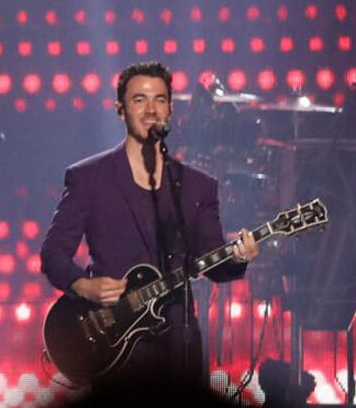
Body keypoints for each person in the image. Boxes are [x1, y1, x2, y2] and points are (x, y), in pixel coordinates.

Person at [40, 62, 260, 384]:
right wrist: (84, 286)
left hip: (178, 344)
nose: (151, 109)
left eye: (159, 99)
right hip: (113, 343)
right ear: (120, 109)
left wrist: (238, 259)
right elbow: (53, 253)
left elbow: (212, 262)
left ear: (170, 109)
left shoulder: (198, 186)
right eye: (139, 99)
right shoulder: (89, 178)